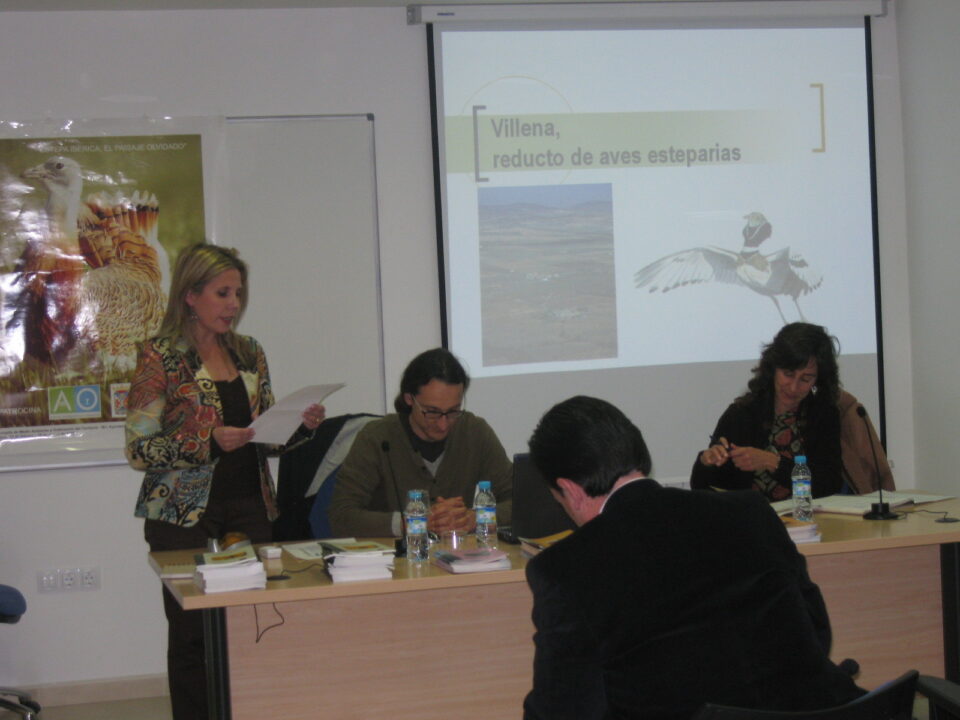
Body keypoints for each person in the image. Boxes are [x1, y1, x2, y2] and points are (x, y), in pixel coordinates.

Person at [523, 395, 864, 720]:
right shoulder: (749, 511)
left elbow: (563, 709)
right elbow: (816, 633)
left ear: (570, 490)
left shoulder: (566, 569)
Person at [125, 243, 325, 720]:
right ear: (191, 295)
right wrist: (207, 441)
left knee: (253, 624)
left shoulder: (250, 352)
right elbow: (138, 448)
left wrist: (299, 427)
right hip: (181, 514)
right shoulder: (161, 356)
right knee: (193, 633)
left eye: (238, 293)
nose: (234, 303)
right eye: (223, 293)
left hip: (249, 507)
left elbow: (267, 438)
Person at [328, 347, 512, 539]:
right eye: (432, 412)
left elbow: (523, 501)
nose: (443, 424)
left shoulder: (475, 432)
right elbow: (341, 516)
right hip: (395, 563)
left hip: (464, 560)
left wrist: (477, 518)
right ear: (409, 399)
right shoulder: (376, 437)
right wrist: (412, 523)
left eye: (453, 411)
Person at [691, 322, 843, 500]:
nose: (793, 387)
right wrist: (706, 461)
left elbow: (829, 484)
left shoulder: (823, 415)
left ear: (819, 379)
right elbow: (702, 487)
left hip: (807, 519)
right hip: (751, 521)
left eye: (806, 379)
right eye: (788, 374)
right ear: (773, 368)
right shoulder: (741, 414)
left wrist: (774, 463)